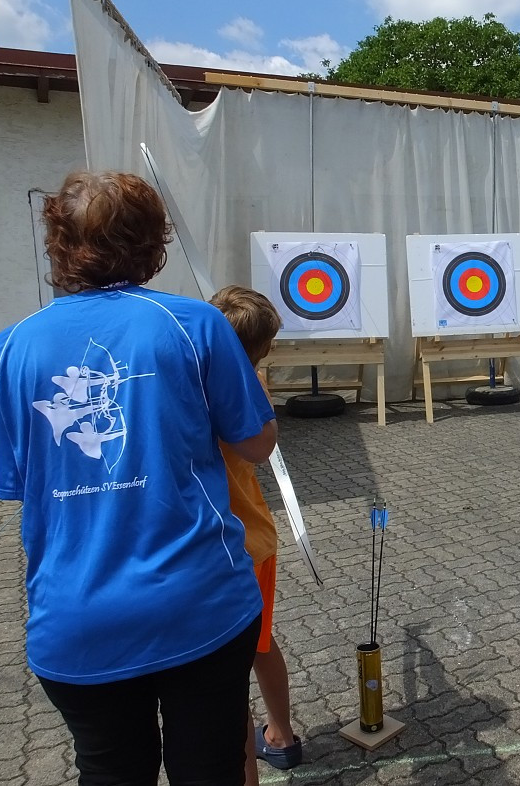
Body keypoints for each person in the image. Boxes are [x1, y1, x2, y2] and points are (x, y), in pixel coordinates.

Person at [0, 171, 277, 786]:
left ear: (59, 243)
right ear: (151, 242)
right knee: (210, 769)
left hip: (75, 618)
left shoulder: (8, 348)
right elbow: (256, 445)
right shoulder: (197, 325)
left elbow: (16, 482)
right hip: (198, 606)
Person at [209, 284, 303, 782]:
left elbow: (258, 446)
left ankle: (281, 736)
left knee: (247, 652)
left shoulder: (200, 380)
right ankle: (280, 738)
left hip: (239, 543)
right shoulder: (243, 387)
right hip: (242, 542)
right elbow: (258, 444)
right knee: (255, 648)